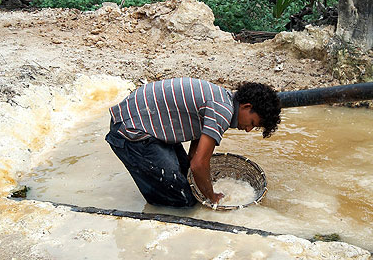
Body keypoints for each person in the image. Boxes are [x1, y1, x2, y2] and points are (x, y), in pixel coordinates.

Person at [105, 78, 281, 207]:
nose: (248, 129)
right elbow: (199, 164)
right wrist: (212, 198)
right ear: (246, 107)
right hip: (131, 130)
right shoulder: (222, 111)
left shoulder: (222, 99)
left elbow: (194, 156)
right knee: (182, 201)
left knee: (184, 177)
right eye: (252, 123)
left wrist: (194, 172)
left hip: (148, 124)